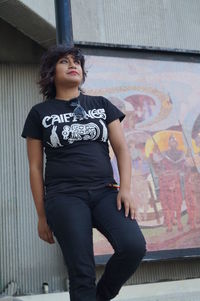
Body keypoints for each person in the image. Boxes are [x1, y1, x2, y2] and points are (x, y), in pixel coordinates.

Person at [21, 45, 146, 301]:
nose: (73, 64)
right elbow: (34, 167)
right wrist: (41, 215)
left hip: (105, 192)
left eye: (77, 61)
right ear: (51, 72)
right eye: (64, 61)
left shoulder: (101, 105)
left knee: (133, 246)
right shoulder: (39, 113)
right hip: (63, 197)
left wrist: (125, 188)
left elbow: (122, 149)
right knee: (81, 271)